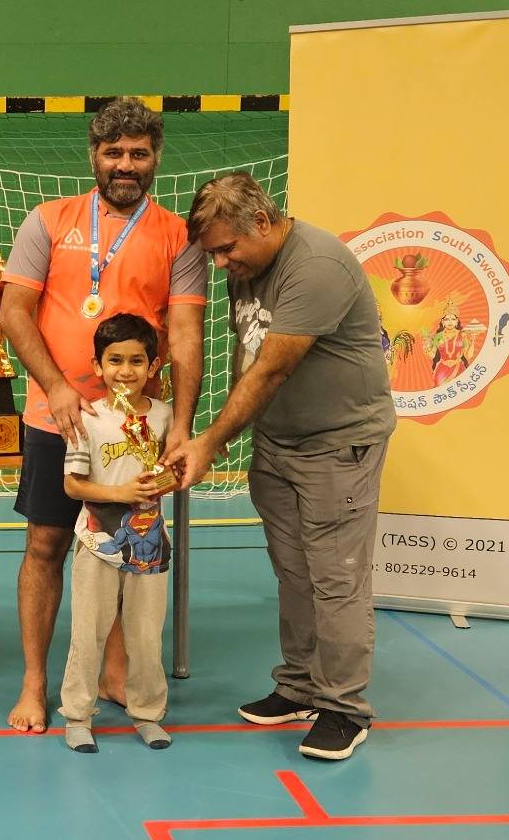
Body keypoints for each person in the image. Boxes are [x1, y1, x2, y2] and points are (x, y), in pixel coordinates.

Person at [164, 171, 395, 761]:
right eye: (212, 253)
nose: (220, 264)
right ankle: (299, 686)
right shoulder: (248, 267)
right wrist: (235, 435)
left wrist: (211, 441)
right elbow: (246, 352)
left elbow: (271, 368)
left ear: (263, 222)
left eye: (226, 249)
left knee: (336, 578)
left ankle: (344, 707)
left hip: (337, 446)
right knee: (293, 572)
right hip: (279, 442)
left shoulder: (316, 265)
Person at [0, 97, 206, 733]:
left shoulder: (178, 236)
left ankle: (116, 674)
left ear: (155, 158)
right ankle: (34, 683)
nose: (125, 164)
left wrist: (181, 425)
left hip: (135, 428)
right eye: (113, 152)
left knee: (127, 547)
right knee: (46, 545)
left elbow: (186, 333)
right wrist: (57, 387)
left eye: (138, 153)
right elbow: (13, 313)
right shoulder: (48, 220)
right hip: (54, 417)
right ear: (94, 156)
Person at [59, 313, 175, 753]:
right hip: (97, 543)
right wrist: (120, 492)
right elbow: (73, 485)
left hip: (150, 545)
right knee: (87, 633)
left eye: (136, 361)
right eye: (115, 360)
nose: (126, 371)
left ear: (153, 365)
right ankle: (78, 716)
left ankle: (147, 713)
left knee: (146, 637)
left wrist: (167, 478)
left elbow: (178, 472)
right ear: (97, 365)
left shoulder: (164, 417)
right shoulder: (87, 417)